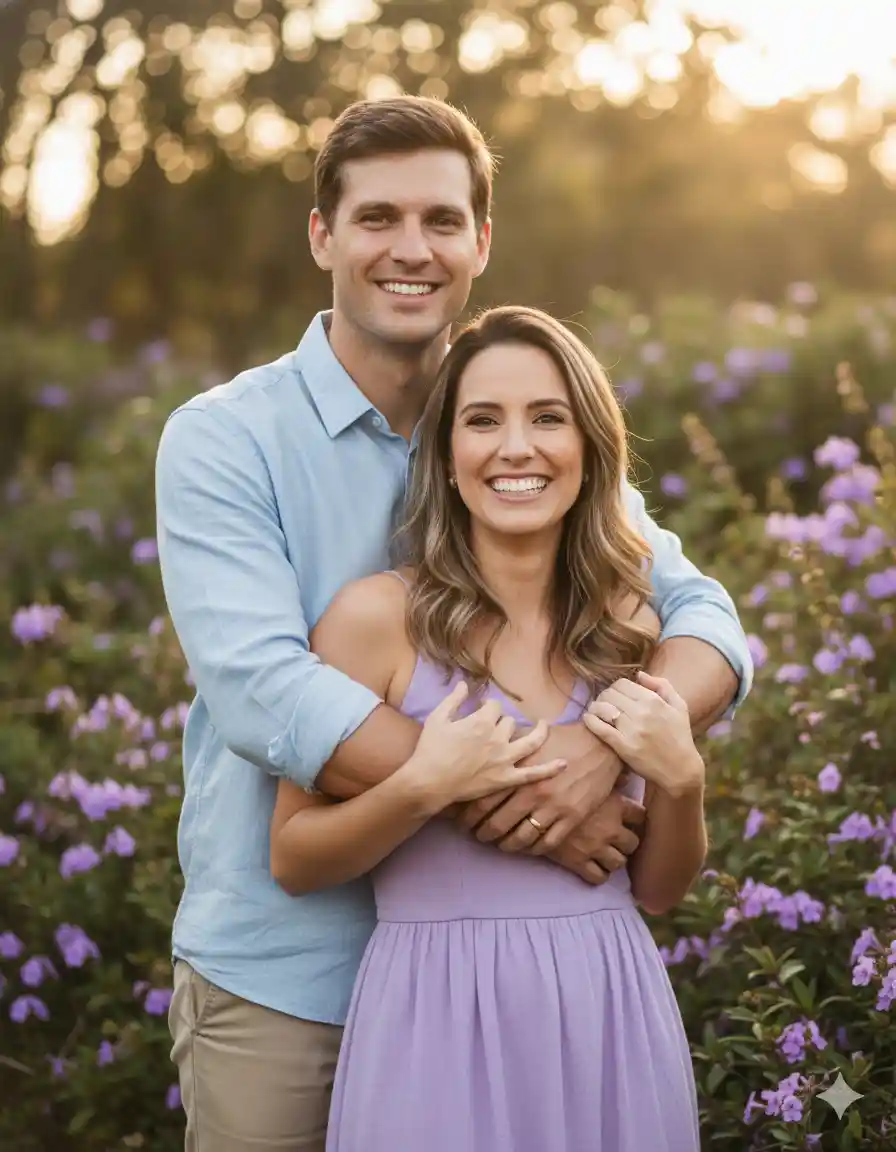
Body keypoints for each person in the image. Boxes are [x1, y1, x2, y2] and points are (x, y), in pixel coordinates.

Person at [156, 95, 751, 1152]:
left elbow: (700, 614)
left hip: (536, 991)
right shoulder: (225, 440)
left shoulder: (510, 425)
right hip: (287, 977)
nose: (410, 248)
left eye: (440, 220)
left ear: (481, 242)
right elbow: (263, 691)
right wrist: (532, 799)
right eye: (376, 217)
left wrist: (607, 748)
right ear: (322, 236)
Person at [269, 305, 705, 1151]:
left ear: (591, 447)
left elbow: (657, 889)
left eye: (547, 418)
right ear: (444, 454)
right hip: (432, 1021)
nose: (516, 448)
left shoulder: (631, 624)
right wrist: (422, 788)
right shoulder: (374, 621)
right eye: (481, 420)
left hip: (608, 1013)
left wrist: (683, 782)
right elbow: (294, 857)